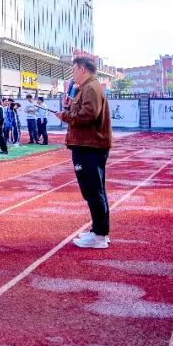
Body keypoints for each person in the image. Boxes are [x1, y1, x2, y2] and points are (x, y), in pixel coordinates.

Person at [56, 57, 113, 249]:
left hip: (90, 145)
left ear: (82, 69)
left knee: (93, 190)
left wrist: (65, 116)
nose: (72, 74)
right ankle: (99, 230)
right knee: (94, 190)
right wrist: (68, 106)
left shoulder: (91, 88)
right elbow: (83, 110)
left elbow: (89, 114)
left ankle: (99, 235)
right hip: (87, 144)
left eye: (74, 70)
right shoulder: (88, 88)